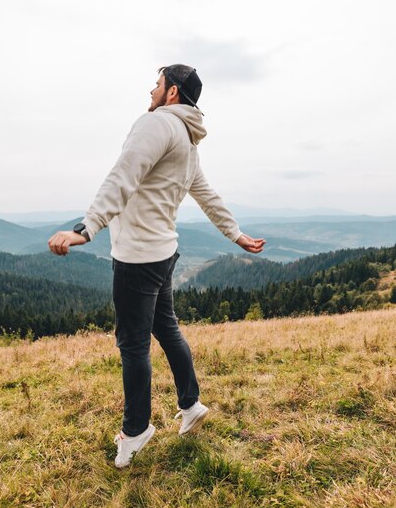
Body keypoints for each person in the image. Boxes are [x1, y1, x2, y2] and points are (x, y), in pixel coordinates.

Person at [48, 64, 266, 468]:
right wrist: (235, 234)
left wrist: (87, 227)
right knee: (166, 328)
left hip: (137, 259)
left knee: (133, 345)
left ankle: (136, 430)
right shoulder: (186, 139)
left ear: (172, 93)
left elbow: (122, 176)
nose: (151, 88)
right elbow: (207, 195)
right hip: (164, 255)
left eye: (157, 82)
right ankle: (190, 405)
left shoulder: (157, 126)